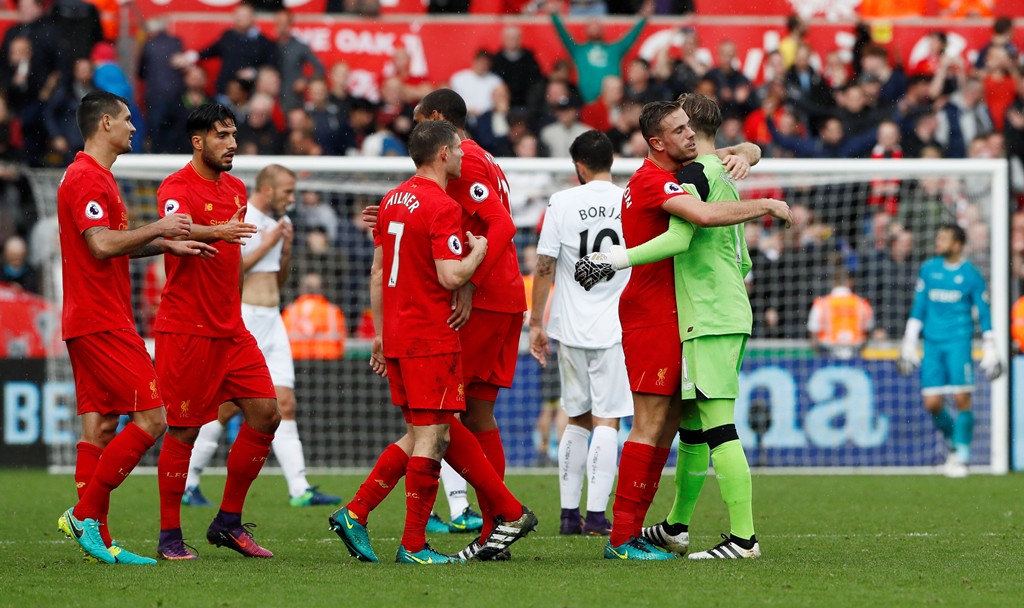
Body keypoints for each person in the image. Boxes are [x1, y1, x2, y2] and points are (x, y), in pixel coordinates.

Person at [575, 95, 791, 560]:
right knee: (663, 425)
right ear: (658, 142)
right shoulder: (671, 180)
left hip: (693, 312)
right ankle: (627, 537)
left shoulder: (696, 171)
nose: (688, 135)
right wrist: (768, 203)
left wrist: (748, 152)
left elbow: (746, 155)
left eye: (689, 128)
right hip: (665, 313)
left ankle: (668, 529)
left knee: (683, 425)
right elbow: (693, 228)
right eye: (678, 131)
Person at [329, 119, 537, 564]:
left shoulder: (391, 200)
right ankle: (414, 544)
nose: (465, 155)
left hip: (398, 334)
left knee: (425, 431)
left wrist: (380, 334)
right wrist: (477, 251)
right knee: (435, 437)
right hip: (431, 334)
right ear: (443, 153)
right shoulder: (441, 206)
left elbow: (376, 270)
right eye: (459, 150)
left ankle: (358, 512)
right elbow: (450, 274)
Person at [54, 90, 215, 565]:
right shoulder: (86, 178)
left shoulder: (96, 177)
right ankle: (84, 515)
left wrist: (166, 246)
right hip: (101, 319)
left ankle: (96, 539)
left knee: (102, 426)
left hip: (90, 317)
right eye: (126, 120)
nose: (133, 128)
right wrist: (162, 229)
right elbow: (102, 245)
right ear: (104, 123)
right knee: (154, 417)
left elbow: (112, 247)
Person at [153, 103, 282, 560]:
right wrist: (219, 231)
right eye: (222, 136)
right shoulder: (175, 187)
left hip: (231, 330)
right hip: (186, 330)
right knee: (184, 431)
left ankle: (227, 522)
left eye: (233, 136)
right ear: (198, 141)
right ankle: (169, 537)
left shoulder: (237, 188)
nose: (232, 144)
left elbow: (231, 258)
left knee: (267, 415)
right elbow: (176, 228)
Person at [181, 164, 342, 509]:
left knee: (285, 403)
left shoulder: (279, 223)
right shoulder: (244, 218)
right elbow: (233, 271)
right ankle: (189, 481)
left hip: (273, 318)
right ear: (267, 190)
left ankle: (299, 487)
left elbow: (276, 280)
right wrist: (268, 241)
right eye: (287, 191)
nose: (292, 198)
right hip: (246, 317)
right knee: (224, 408)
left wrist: (283, 254)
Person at [529, 130, 631, 537]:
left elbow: (544, 265)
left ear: (578, 167)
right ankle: (596, 516)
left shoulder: (563, 201)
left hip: (570, 326)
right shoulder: (628, 200)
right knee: (608, 421)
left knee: (576, 418)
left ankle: (569, 515)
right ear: (612, 160)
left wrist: (536, 323)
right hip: (615, 325)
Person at [896, 224, 1003, 478]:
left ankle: (963, 456)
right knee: (932, 403)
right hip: (932, 344)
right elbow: (920, 306)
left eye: (944, 238)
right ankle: (955, 442)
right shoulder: (929, 269)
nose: (938, 241)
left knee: (961, 398)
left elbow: (984, 311)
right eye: (938, 236)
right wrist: (909, 339)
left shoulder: (970, 275)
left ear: (958, 244)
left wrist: (990, 345)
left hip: (959, 343)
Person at [550, 12, 648, 104]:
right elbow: (563, 35)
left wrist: (644, 19)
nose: (594, 28)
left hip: (613, 102)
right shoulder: (578, 50)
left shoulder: (614, 50)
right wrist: (553, 15)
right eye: (591, 25)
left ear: (602, 29)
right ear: (585, 30)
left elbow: (630, 38)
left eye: (597, 25)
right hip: (587, 103)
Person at [807, 268, 875, 359]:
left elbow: (813, 332)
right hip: (855, 352)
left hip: (828, 353)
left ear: (833, 283)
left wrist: (818, 353)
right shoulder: (862, 304)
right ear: (851, 282)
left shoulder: (821, 304)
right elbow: (868, 330)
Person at [282, 272, 347, 360]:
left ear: (301, 289)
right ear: (322, 289)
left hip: (296, 363)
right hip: (328, 364)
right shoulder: (334, 311)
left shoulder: (290, 311)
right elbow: (342, 344)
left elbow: (281, 342)